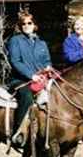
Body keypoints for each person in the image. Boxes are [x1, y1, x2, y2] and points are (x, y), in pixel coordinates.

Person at [7, 11, 52, 146]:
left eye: (29, 23)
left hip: (41, 79)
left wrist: (48, 68)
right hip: (20, 80)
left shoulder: (42, 43)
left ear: (35, 25)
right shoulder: (15, 41)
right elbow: (15, 61)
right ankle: (19, 134)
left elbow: (47, 61)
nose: (26, 26)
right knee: (26, 96)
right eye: (23, 24)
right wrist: (31, 75)